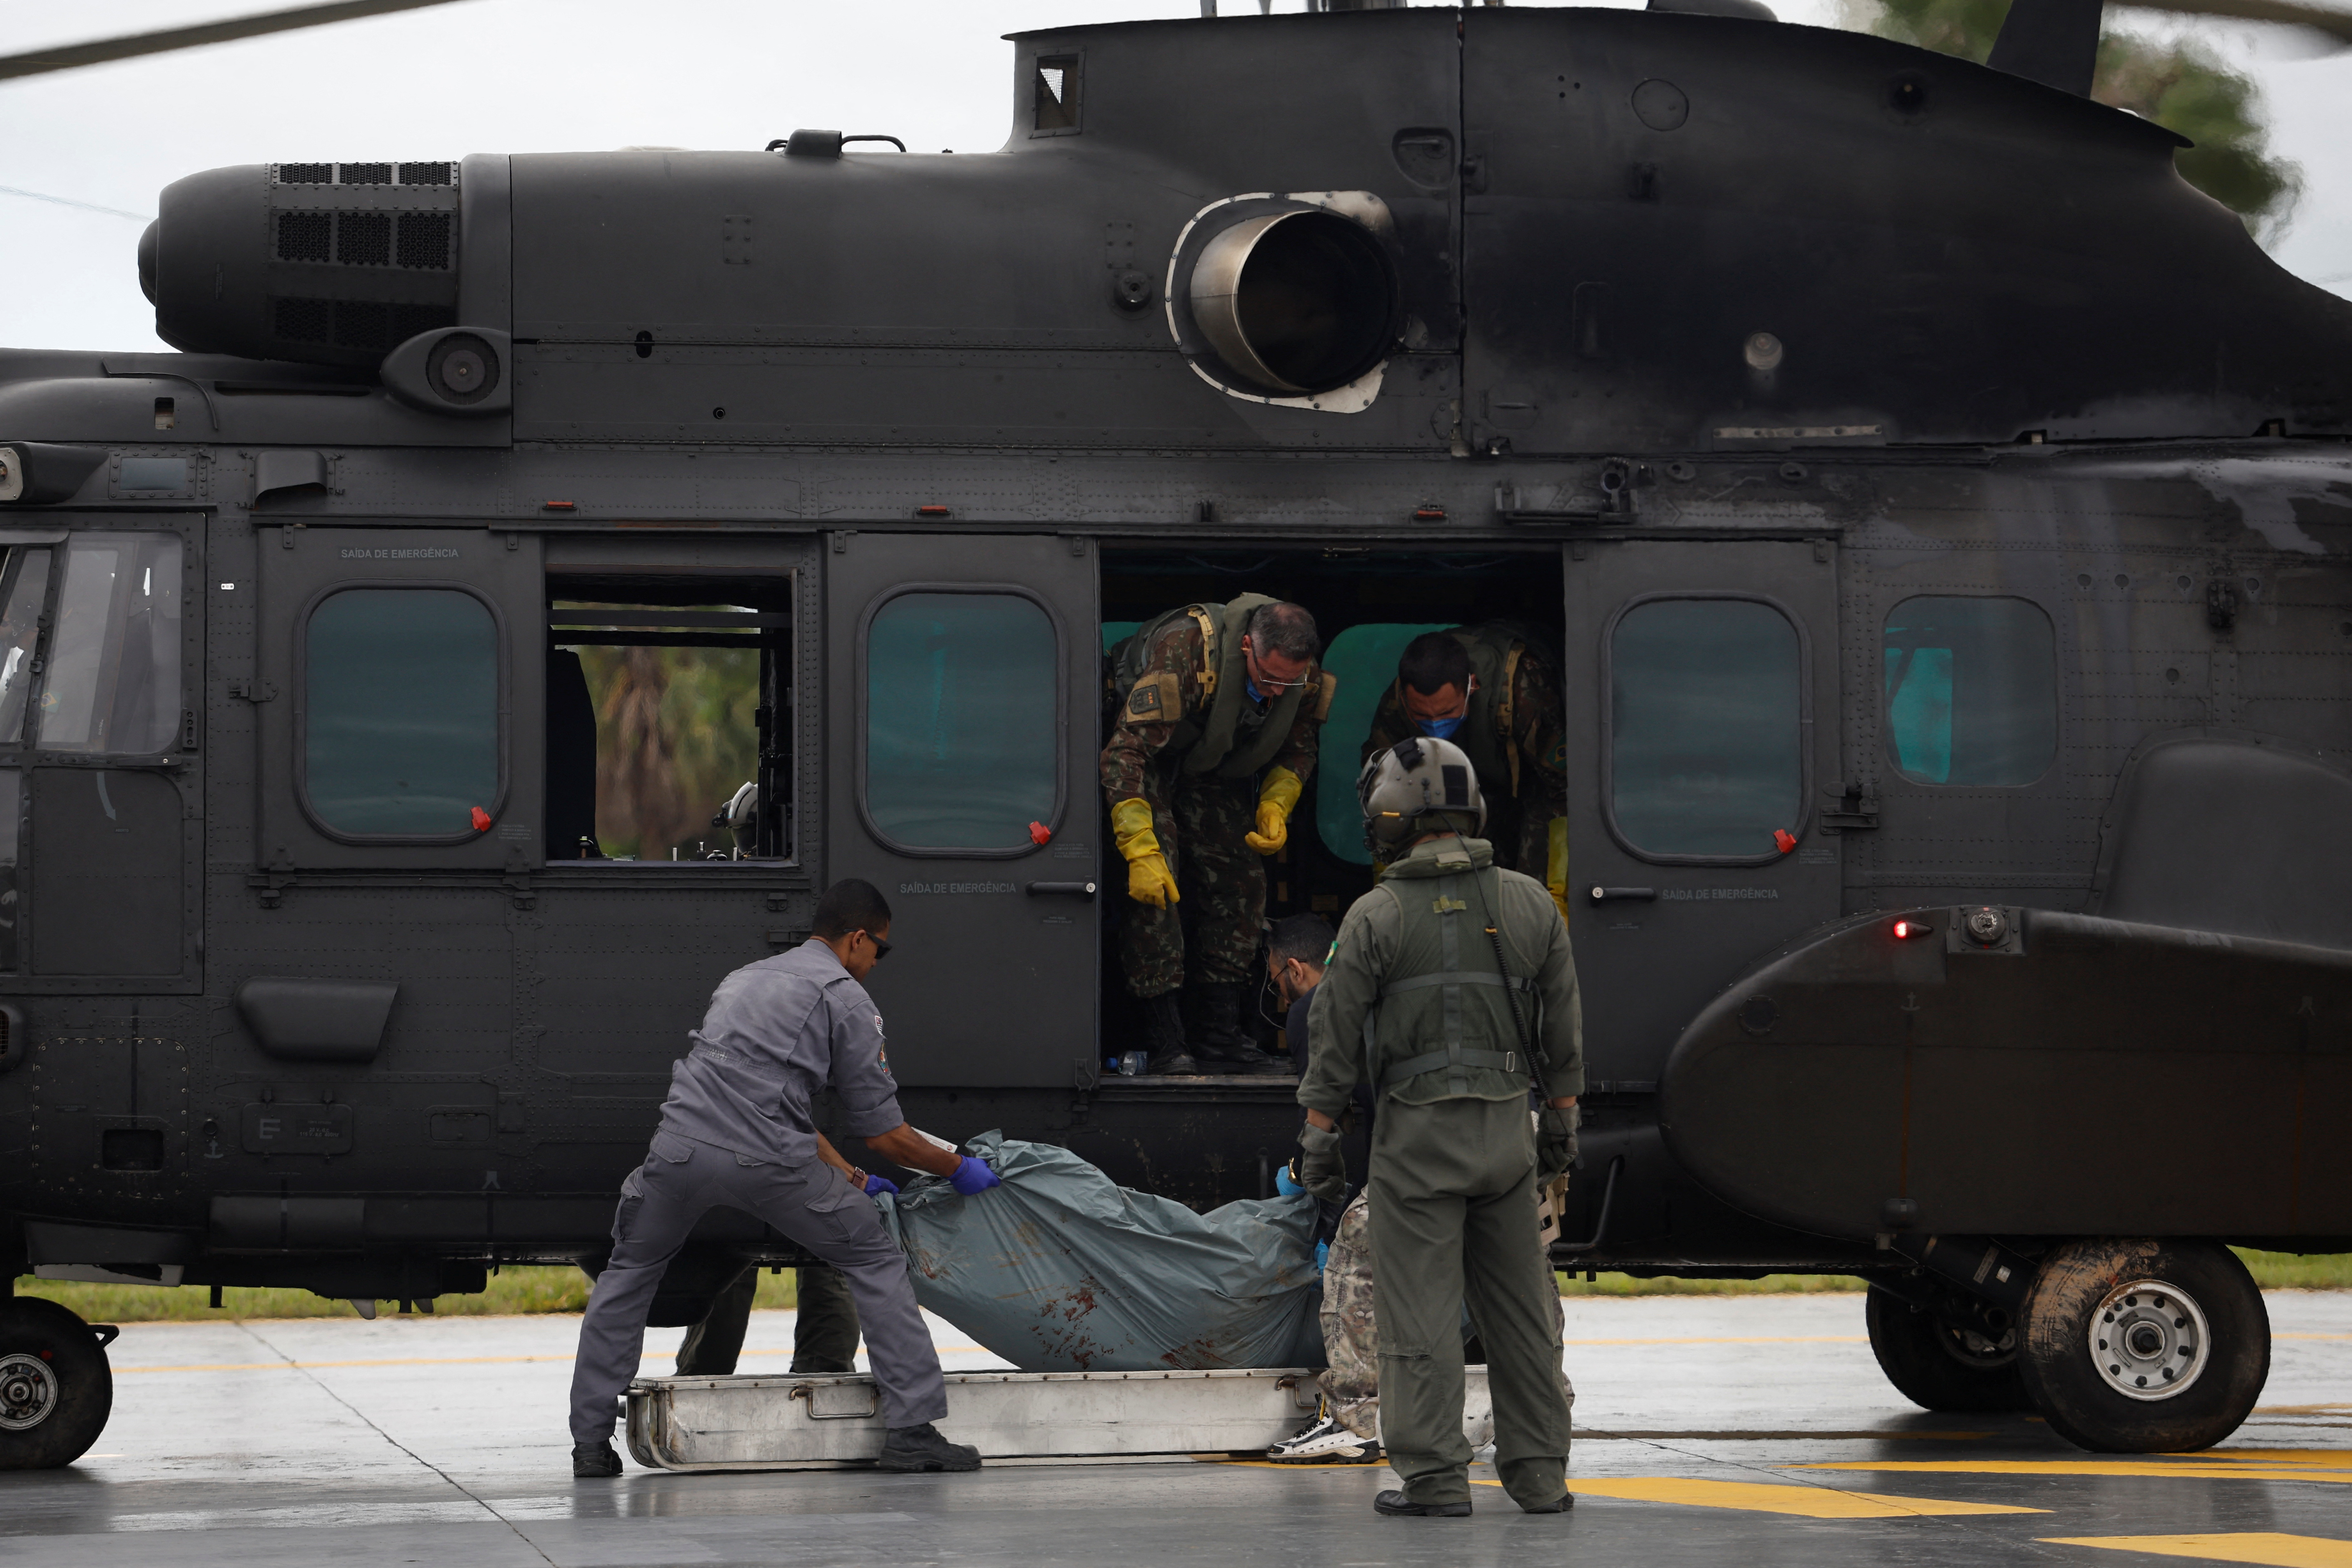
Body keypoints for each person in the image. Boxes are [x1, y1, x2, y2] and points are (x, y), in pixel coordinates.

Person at [567, 878, 1003, 1478]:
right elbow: (885, 1134)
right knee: (874, 1261)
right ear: (857, 940)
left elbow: (770, 1099)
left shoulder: (743, 979)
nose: (876, 963)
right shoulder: (846, 1000)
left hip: (678, 1154)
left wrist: (850, 1177)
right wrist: (959, 1169)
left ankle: (590, 1444)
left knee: (628, 1276)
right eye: (880, 949)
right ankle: (911, 1432)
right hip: (767, 1164)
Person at [1294, 737, 1583, 1517]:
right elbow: (1561, 1029)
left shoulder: (1374, 914)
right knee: (1521, 1315)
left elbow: (1334, 1035)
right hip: (1505, 1136)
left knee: (1417, 1317)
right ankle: (1540, 1477)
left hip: (1416, 1144)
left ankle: (1433, 1479)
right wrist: (1560, 1123)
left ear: (1389, 816)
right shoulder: (1528, 904)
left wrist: (1318, 1139)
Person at [1104, 596, 1335, 1075]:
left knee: (1242, 881)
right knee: (1157, 886)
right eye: (1266, 678)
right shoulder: (1185, 654)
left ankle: (1219, 1034)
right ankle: (1166, 1039)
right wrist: (1140, 848)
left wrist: (1276, 803)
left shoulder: (1301, 678)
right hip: (1151, 754)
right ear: (1246, 646)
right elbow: (1124, 756)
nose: (1274, 693)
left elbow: (1298, 749)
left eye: (1286, 682)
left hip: (1213, 764)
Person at [1363, 625, 1570, 922]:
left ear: (1472, 686)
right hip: (1453, 795)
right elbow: (1379, 786)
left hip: (1531, 792)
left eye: (1446, 713)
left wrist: (1553, 889)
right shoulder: (1397, 703)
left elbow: (1562, 789)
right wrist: (1389, 874)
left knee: (1530, 902)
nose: (1434, 724)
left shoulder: (1521, 690)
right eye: (1422, 716)